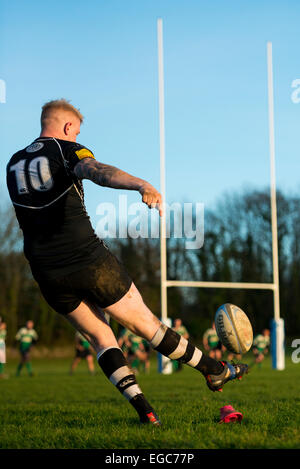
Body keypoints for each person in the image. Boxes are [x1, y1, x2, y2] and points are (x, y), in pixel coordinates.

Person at [6, 99, 248, 426]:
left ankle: (145, 411)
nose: (77, 136)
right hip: (87, 259)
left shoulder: (13, 163)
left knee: (101, 340)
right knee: (146, 325)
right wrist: (140, 185)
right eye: (76, 131)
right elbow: (96, 171)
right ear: (67, 128)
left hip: (46, 272)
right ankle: (215, 370)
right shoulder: (66, 150)